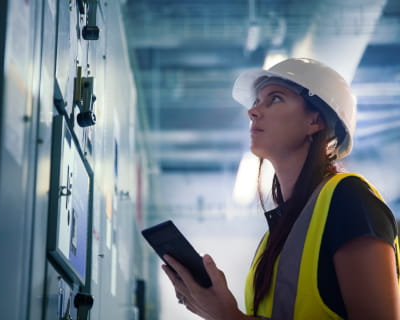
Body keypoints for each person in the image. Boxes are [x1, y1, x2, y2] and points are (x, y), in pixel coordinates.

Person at [162, 58, 400, 319]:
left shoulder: (349, 200)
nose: (252, 112)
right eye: (256, 102)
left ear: (315, 121)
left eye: (274, 99)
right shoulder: (279, 233)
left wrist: (229, 317)